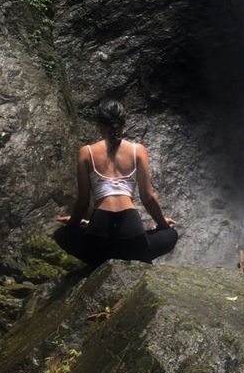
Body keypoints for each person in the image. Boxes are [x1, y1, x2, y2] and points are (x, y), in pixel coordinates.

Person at [53, 99, 178, 267]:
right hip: (132, 240)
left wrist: (74, 225)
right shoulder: (138, 151)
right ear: (123, 124)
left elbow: (83, 201)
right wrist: (162, 225)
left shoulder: (86, 152)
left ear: (98, 124)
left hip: (98, 244)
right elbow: (147, 198)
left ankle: (98, 253)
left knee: (62, 234)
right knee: (171, 235)